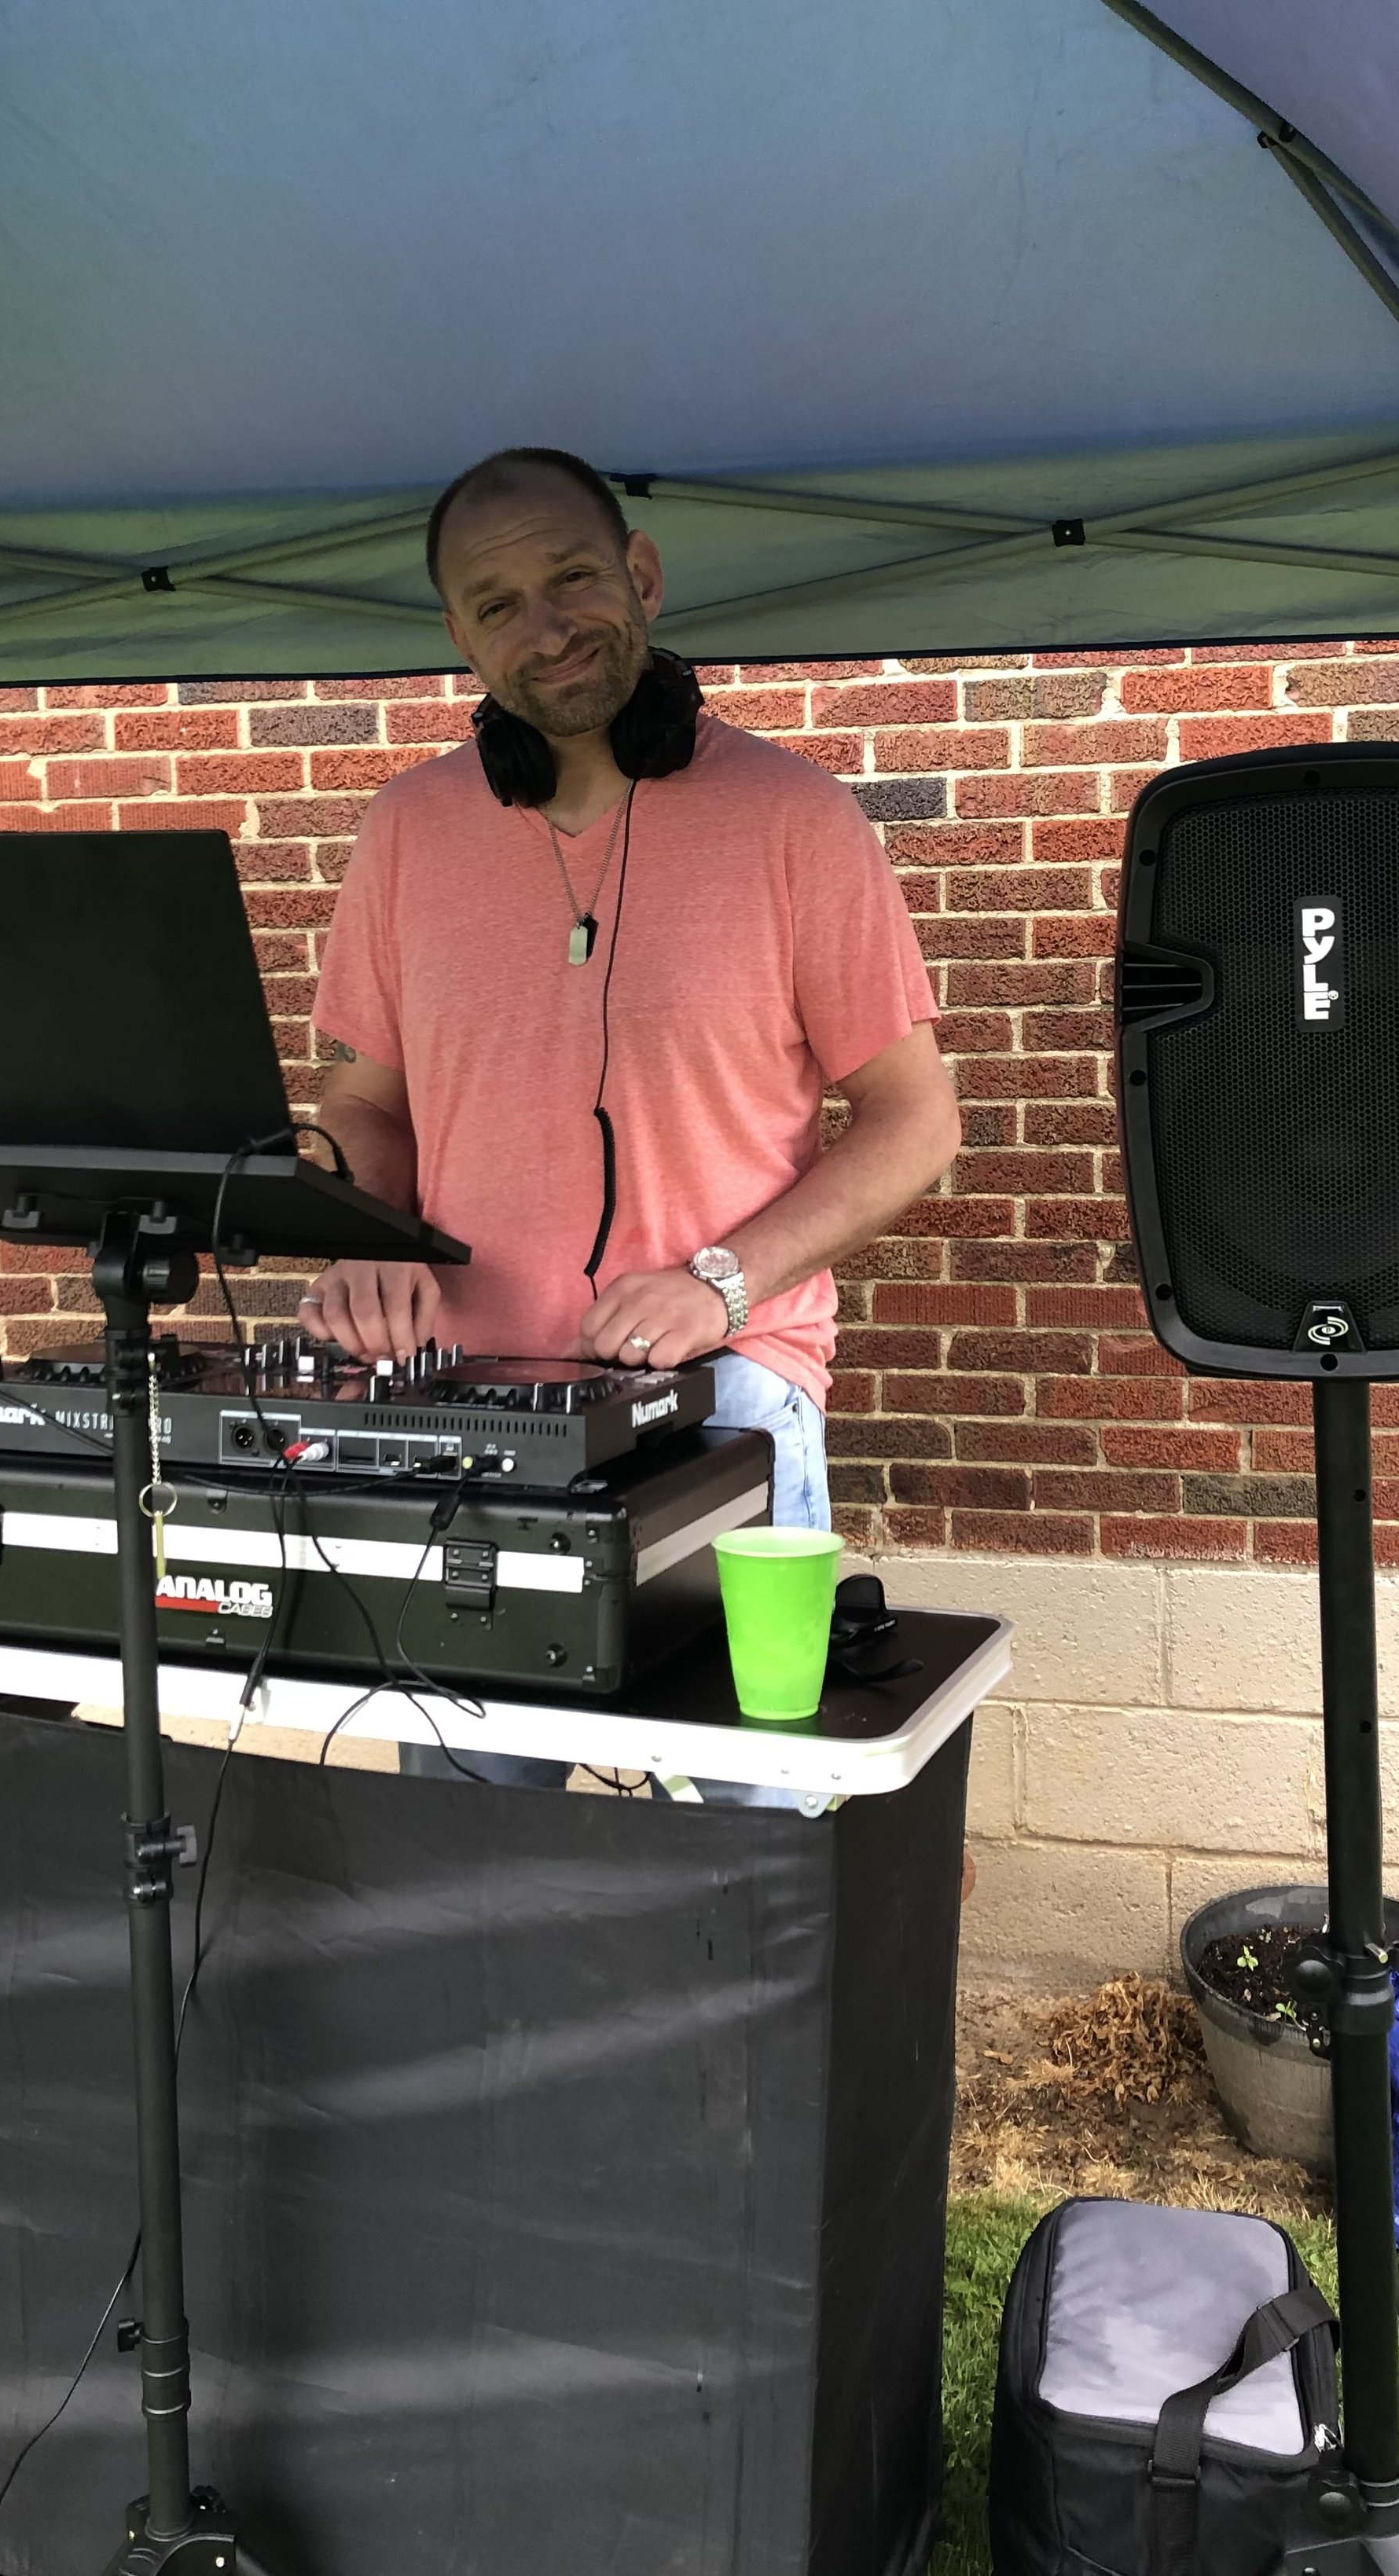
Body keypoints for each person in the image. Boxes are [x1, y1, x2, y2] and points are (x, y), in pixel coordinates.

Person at [306, 446, 960, 1793]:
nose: (544, 628)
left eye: (571, 578)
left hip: (729, 1398)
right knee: (465, 1852)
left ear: (642, 576)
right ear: (459, 638)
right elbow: (361, 1103)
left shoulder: (797, 820)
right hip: (471, 1408)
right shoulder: (404, 835)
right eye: (497, 605)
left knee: (752, 1825)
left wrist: (721, 1283)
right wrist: (367, 1229)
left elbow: (914, 1120)